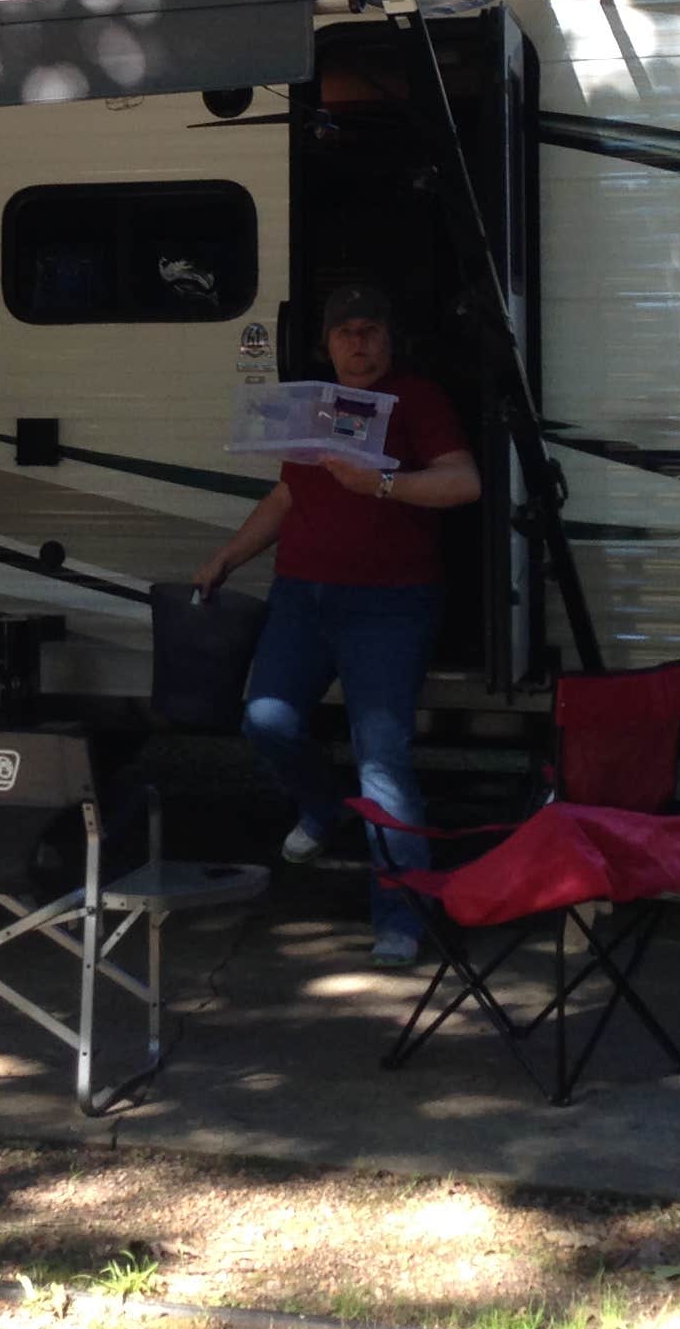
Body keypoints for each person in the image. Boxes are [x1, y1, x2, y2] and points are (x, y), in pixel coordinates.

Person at [192, 283, 481, 967]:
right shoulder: (314, 403)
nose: (359, 343)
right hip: (303, 597)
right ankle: (323, 809)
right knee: (265, 720)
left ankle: (402, 917)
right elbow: (288, 494)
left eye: (371, 330)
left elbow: (464, 483)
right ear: (326, 344)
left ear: (390, 339)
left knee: (383, 759)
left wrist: (380, 483)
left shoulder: (417, 400)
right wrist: (226, 557)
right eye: (346, 332)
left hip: (390, 605)